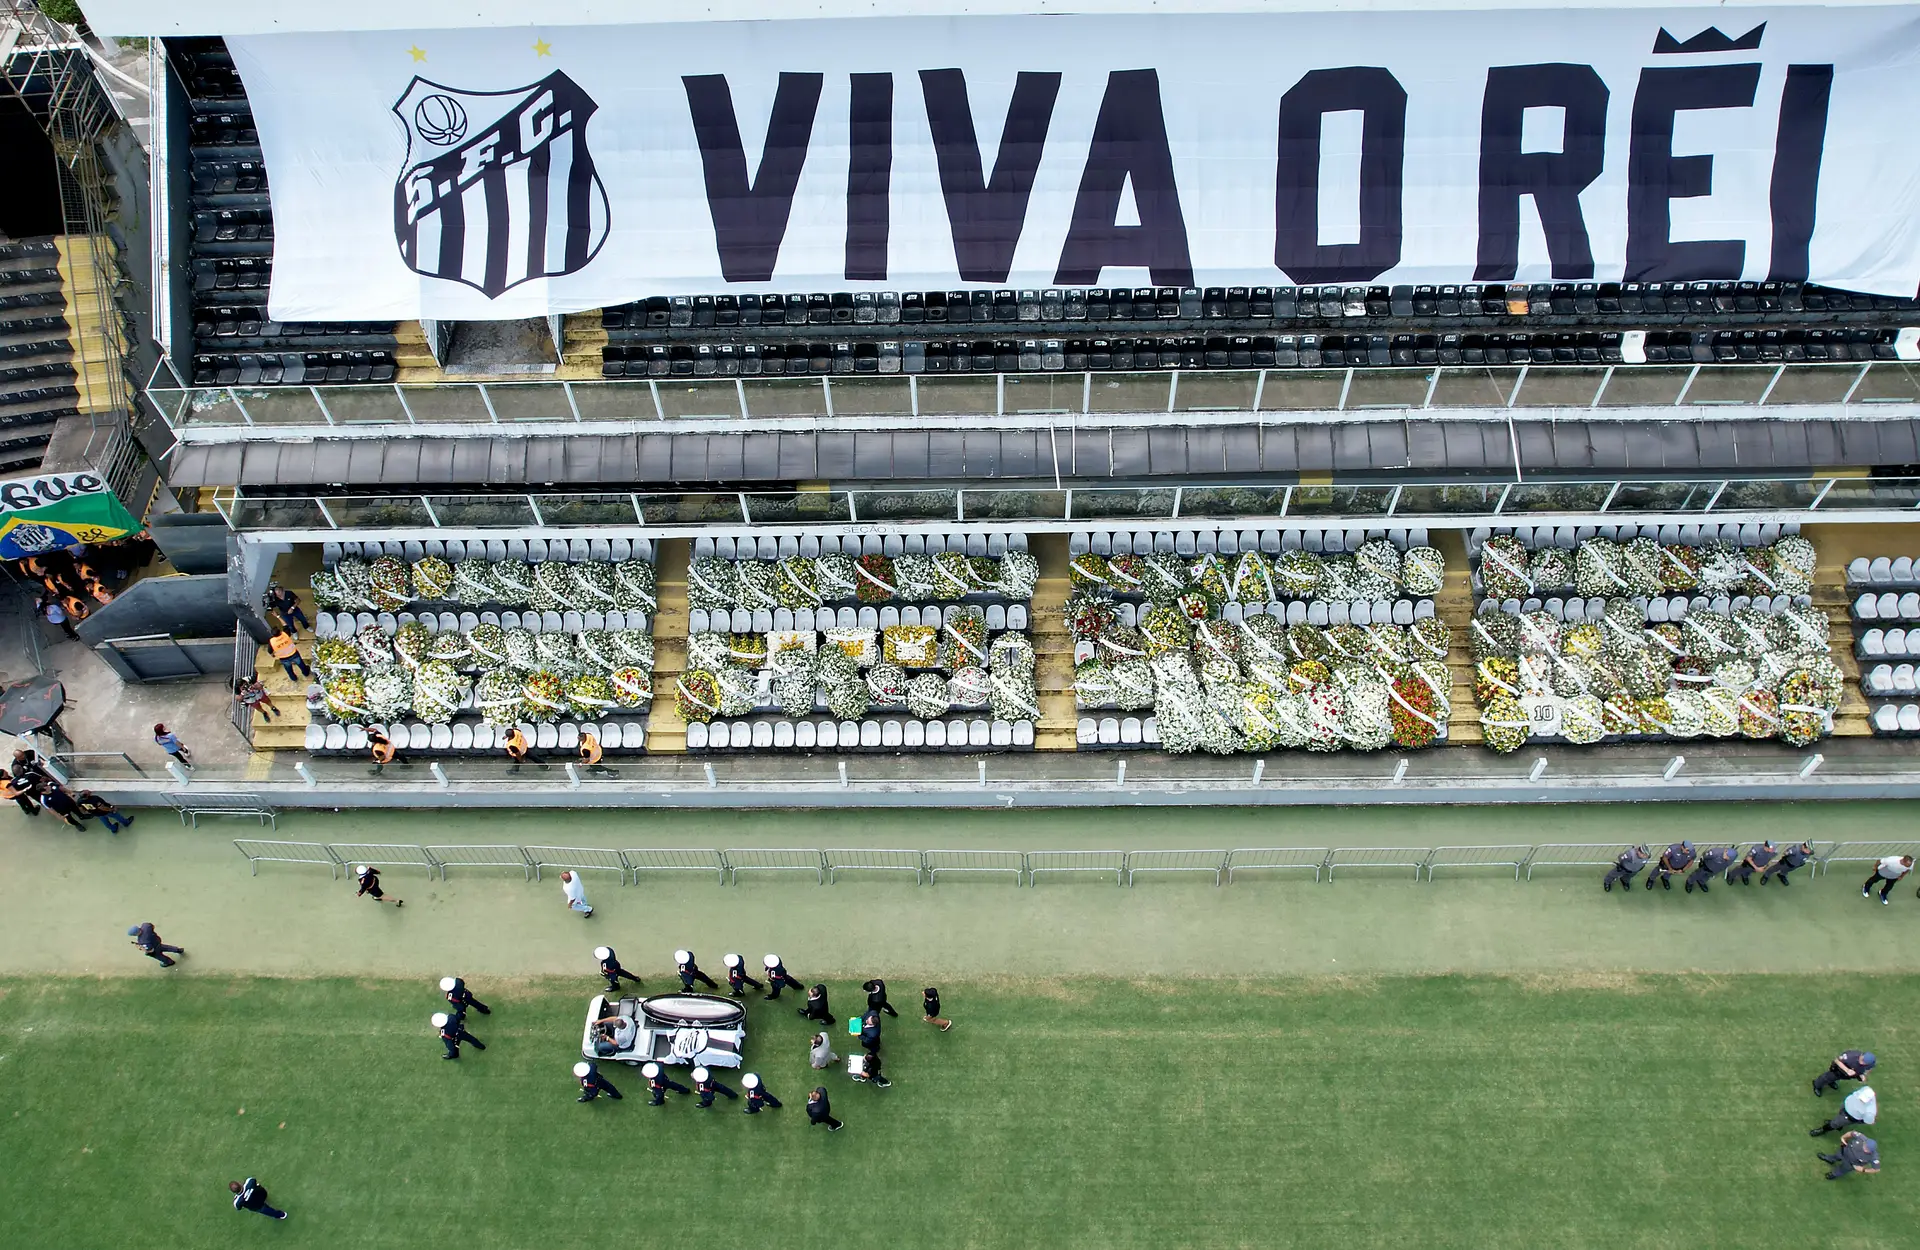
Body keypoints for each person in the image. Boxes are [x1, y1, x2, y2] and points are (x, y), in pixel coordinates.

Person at [1812, 1085, 1877, 1137]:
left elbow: (1868, 1121)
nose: (1860, 1100)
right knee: (1839, 1117)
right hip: (1845, 1105)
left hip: (1849, 1117)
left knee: (1834, 1124)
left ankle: (1823, 1130)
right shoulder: (1866, 1089)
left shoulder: (1870, 1112)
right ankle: (1838, 1125)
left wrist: (1854, 1120)